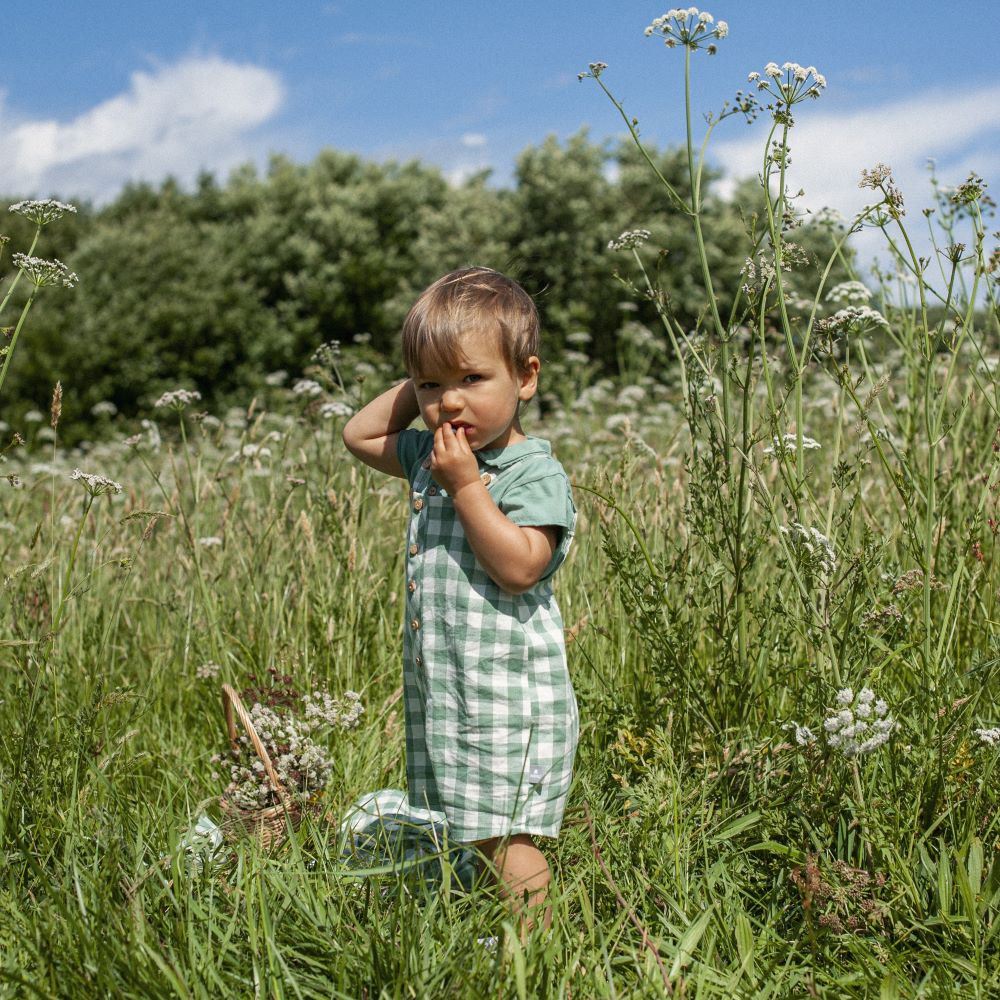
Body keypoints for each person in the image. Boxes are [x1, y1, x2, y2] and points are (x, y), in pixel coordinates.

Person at [342, 267, 578, 934]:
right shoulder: (434, 454)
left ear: (525, 378)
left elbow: (521, 568)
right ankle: (490, 920)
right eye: (432, 386)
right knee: (474, 823)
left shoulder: (531, 472)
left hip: (508, 692)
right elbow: (358, 437)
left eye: (472, 380)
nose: (449, 404)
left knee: (507, 834)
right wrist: (430, 375)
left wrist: (468, 487)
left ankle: (537, 951)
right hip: (452, 688)